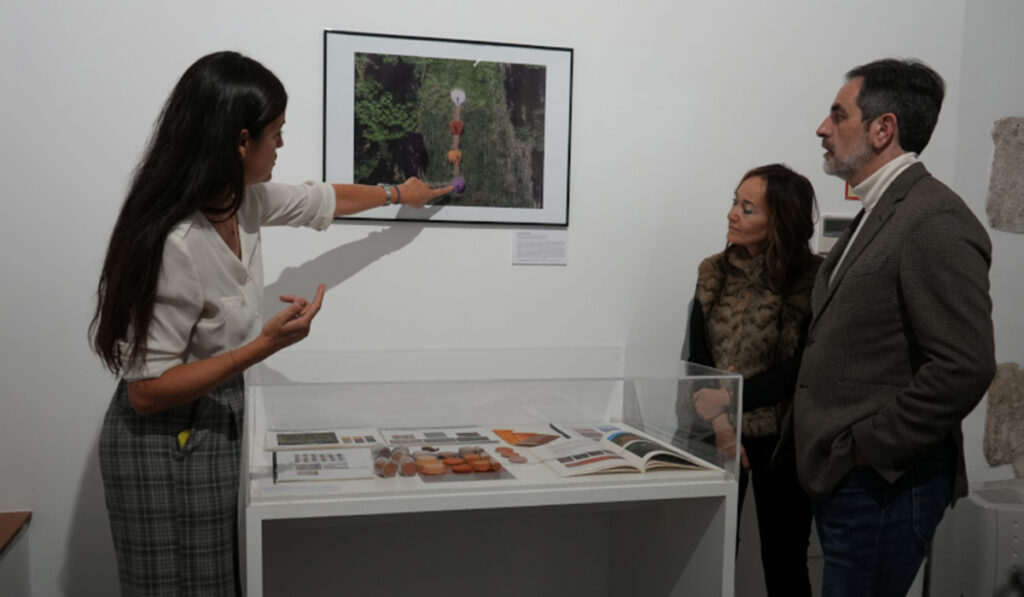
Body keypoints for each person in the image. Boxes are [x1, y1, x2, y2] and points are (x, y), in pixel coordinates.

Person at [89, 51, 451, 596]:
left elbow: (321, 200)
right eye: (275, 134)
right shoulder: (178, 242)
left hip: (209, 424)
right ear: (239, 141)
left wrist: (400, 193)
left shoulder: (241, 202)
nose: (281, 146)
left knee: (218, 580)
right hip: (161, 442)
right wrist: (264, 346)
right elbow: (145, 392)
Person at [776, 58, 996, 596]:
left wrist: (865, 449)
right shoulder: (881, 211)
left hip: (886, 486)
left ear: (883, 128)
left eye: (837, 114)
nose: (822, 129)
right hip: (855, 484)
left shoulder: (933, 218)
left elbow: (964, 366)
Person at [686, 163, 821, 597]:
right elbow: (698, 357)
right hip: (715, 432)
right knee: (708, 554)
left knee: (783, 562)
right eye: (734, 202)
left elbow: (799, 370)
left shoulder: (810, 280)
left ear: (780, 221)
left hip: (781, 439)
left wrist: (728, 400)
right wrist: (722, 425)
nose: (732, 214)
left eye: (748, 208)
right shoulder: (712, 272)